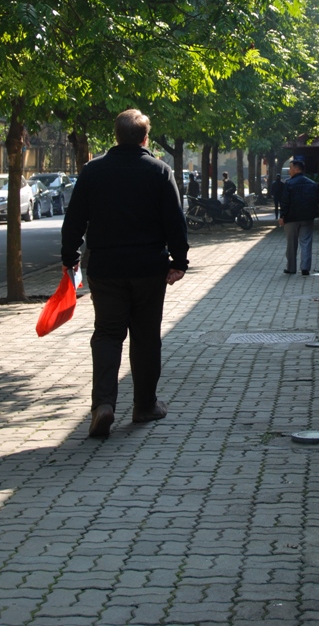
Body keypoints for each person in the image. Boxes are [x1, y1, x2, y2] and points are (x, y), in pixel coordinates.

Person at [61, 109, 188, 439]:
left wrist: (70, 257)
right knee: (145, 337)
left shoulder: (93, 171)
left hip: (106, 269)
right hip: (148, 268)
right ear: (146, 138)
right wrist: (179, 260)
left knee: (107, 334)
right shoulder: (159, 171)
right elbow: (175, 220)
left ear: (116, 136)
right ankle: (144, 405)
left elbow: (74, 219)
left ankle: (103, 404)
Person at [279, 157, 319, 276]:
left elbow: (285, 201)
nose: (289, 171)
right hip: (307, 218)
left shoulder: (289, 184)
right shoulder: (312, 184)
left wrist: (282, 216)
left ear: (297, 169)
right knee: (306, 242)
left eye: (290, 168)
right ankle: (305, 268)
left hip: (291, 218)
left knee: (291, 244)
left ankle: (291, 268)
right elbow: (316, 201)